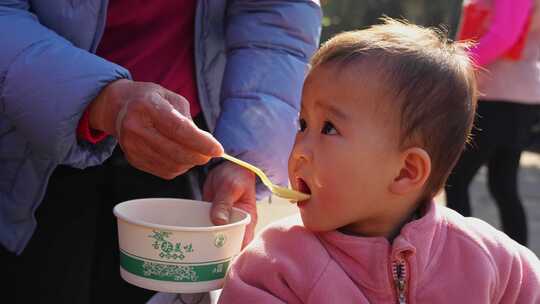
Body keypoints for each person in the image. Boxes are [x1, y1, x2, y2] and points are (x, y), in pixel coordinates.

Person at [0, 1, 321, 303]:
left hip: (186, 156)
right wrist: (100, 101)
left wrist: (246, 155)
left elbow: (275, 15)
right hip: (24, 147)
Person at [217, 18, 540, 303]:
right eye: (303, 125)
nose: (299, 148)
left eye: (329, 128)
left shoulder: (489, 260)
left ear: (406, 171)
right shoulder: (274, 266)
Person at [444, 0, 540, 246]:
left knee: (457, 178)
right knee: (503, 184)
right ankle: (519, 262)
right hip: (515, 96)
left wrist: (452, 65)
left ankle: (463, 254)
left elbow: (502, 36)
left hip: (500, 96)